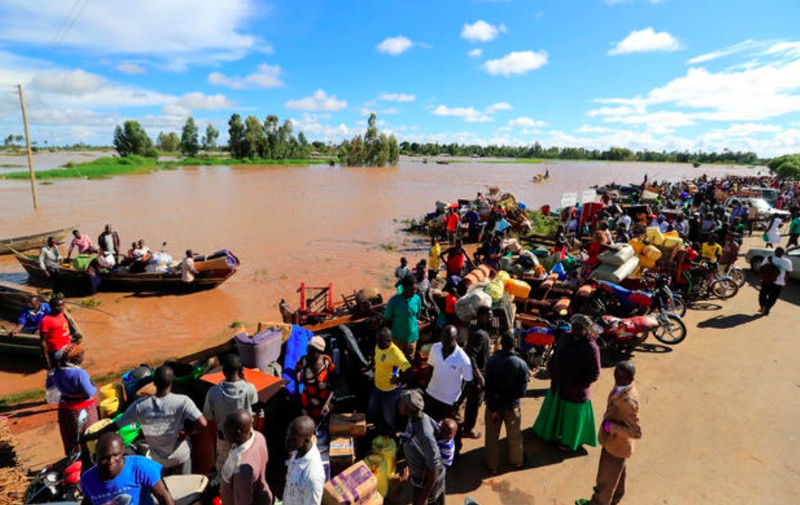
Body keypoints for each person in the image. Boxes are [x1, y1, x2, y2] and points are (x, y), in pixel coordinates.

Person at [95, 365, 208, 475]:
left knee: (165, 487)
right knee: (183, 488)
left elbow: (114, 426)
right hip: (181, 455)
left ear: (154, 383)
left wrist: (88, 437)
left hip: (158, 461)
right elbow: (203, 423)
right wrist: (186, 433)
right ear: (172, 382)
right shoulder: (183, 401)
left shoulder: (140, 405)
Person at [575, 361, 642, 505]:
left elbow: (636, 432)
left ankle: (598, 503)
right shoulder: (621, 387)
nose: (616, 378)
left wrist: (611, 427)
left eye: (621, 376)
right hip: (616, 446)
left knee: (605, 480)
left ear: (630, 379)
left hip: (616, 447)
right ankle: (615, 499)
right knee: (616, 475)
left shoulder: (629, 402)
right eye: (616, 373)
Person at [533, 315, 601, 451]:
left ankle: (568, 442)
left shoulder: (591, 347)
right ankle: (551, 433)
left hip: (575, 390)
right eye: (573, 327)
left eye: (579, 328)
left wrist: (578, 385)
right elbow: (555, 354)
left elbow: (595, 373)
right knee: (554, 412)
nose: (575, 330)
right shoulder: (566, 337)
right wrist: (551, 369)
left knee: (570, 420)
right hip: (558, 384)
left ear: (586, 330)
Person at [81, 432, 175, 505]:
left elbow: (164, 496)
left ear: (122, 451)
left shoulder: (141, 466)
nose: (111, 461)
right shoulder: (87, 479)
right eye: (104, 458)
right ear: (95, 458)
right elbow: (88, 501)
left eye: (115, 455)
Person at [203, 353, 259, 470]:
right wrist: (243, 379)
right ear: (240, 370)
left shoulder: (213, 392)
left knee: (223, 468)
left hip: (224, 438)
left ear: (223, 371)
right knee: (245, 465)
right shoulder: (250, 388)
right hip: (245, 437)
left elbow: (208, 416)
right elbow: (254, 403)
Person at [484, 332, 529, 474]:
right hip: (512, 407)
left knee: (492, 437)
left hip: (494, 408)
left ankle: (493, 466)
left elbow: (488, 388)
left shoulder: (492, 361)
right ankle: (517, 462)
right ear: (514, 345)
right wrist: (508, 401)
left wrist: (494, 408)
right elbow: (522, 392)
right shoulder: (521, 364)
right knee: (514, 436)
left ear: (501, 345)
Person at [47, 343, 98, 460]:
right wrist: (93, 385)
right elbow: (90, 392)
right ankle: (88, 457)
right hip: (83, 408)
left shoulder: (54, 371)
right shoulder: (79, 374)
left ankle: (73, 457)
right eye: (80, 355)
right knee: (88, 433)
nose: (82, 357)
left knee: (70, 434)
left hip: (65, 408)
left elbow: (52, 388)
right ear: (73, 358)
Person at [424, 325, 475, 439]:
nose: (445, 341)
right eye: (444, 338)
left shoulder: (463, 359)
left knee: (451, 431)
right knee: (428, 428)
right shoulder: (435, 348)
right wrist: (427, 387)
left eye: (449, 338)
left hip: (449, 401)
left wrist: (458, 401)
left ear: (455, 338)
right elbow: (431, 368)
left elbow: (468, 382)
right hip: (431, 395)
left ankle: (454, 454)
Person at [398, 390, 446, 505]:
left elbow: (434, 468)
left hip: (428, 484)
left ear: (409, 408)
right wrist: (407, 465)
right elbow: (410, 442)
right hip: (419, 478)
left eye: (401, 403)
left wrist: (424, 497)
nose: (399, 404)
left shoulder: (425, 435)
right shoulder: (414, 418)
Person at [220, 410, 272, 505]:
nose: (223, 433)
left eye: (226, 429)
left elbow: (242, 501)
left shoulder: (241, 469)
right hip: (261, 494)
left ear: (238, 432)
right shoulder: (259, 436)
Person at [368, 327, 412, 436]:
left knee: (389, 419)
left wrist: (398, 379)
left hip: (390, 392)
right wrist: (370, 366)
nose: (378, 343)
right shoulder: (378, 345)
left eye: (381, 341)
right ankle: (374, 430)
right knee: (372, 411)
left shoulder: (395, 354)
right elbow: (375, 355)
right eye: (377, 341)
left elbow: (409, 371)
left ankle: (391, 436)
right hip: (377, 387)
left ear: (389, 341)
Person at [283, 415, 326, 505]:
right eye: (287, 436)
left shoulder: (312, 477)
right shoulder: (297, 450)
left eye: (293, 439)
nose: (287, 441)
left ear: (306, 440)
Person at [462, 307, 491, 440]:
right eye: (488, 316)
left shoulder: (476, 329)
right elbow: (471, 356)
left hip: (473, 372)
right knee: (474, 402)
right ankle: (469, 429)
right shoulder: (479, 334)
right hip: (477, 374)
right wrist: (479, 375)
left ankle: (466, 424)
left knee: (472, 401)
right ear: (480, 317)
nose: (490, 319)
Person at [296, 336, 336, 423]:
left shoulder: (327, 362)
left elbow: (334, 385)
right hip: (308, 398)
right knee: (305, 418)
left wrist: (326, 403)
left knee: (326, 416)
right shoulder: (304, 360)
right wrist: (299, 379)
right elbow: (298, 372)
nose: (308, 351)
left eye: (311, 350)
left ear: (319, 352)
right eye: (308, 348)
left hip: (324, 399)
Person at [384, 275, 422, 357]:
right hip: (397, 339)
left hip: (412, 338)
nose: (414, 292)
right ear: (404, 288)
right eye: (412, 290)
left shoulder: (417, 299)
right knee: (396, 361)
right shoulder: (394, 301)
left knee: (409, 360)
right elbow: (387, 319)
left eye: (415, 289)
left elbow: (417, 315)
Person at [39, 297, 73, 369]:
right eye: (58, 306)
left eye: (62, 305)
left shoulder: (61, 314)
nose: (61, 307)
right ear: (51, 307)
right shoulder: (46, 321)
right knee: (58, 371)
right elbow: (43, 341)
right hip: (56, 351)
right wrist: (47, 360)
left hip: (67, 347)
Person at [758, 247, 793, 316]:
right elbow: (788, 272)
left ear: (775, 252)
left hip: (767, 280)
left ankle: (763, 306)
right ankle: (767, 309)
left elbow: (762, 267)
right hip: (779, 282)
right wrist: (785, 280)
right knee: (773, 297)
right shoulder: (787, 262)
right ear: (783, 253)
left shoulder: (769, 258)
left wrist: (761, 275)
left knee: (763, 294)